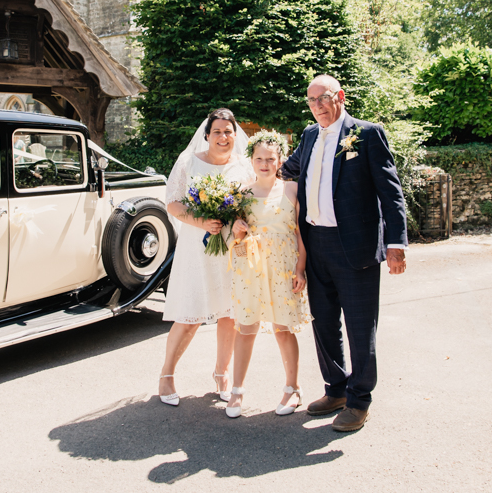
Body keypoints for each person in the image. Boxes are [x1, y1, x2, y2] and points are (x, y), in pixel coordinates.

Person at [281, 75, 408, 432]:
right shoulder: (308, 136)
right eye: (311, 101)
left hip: (355, 246)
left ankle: (359, 399)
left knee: (359, 326)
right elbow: (287, 169)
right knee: (323, 323)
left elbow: (391, 192)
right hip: (314, 244)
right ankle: (335, 389)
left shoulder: (367, 134)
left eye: (323, 98)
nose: (317, 106)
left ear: (340, 96)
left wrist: (396, 244)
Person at [158, 109, 255, 406]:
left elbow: (253, 204)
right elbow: (172, 203)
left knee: (229, 314)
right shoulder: (189, 162)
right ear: (207, 135)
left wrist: (240, 223)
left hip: (230, 248)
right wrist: (201, 222)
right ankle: (166, 375)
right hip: (196, 246)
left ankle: (222, 373)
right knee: (189, 316)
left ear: (235, 135)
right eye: (217, 132)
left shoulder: (244, 165)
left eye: (228, 131)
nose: (223, 137)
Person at [225, 131, 309, 418]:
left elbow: (301, 234)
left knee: (283, 328)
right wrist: (235, 232)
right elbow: (231, 240)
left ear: (279, 160)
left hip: (284, 267)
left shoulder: (292, 190)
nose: (264, 163)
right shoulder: (242, 194)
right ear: (251, 161)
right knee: (245, 328)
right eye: (259, 158)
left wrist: (301, 270)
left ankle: (292, 388)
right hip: (250, 270)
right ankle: (236, 391)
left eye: (270, 159)